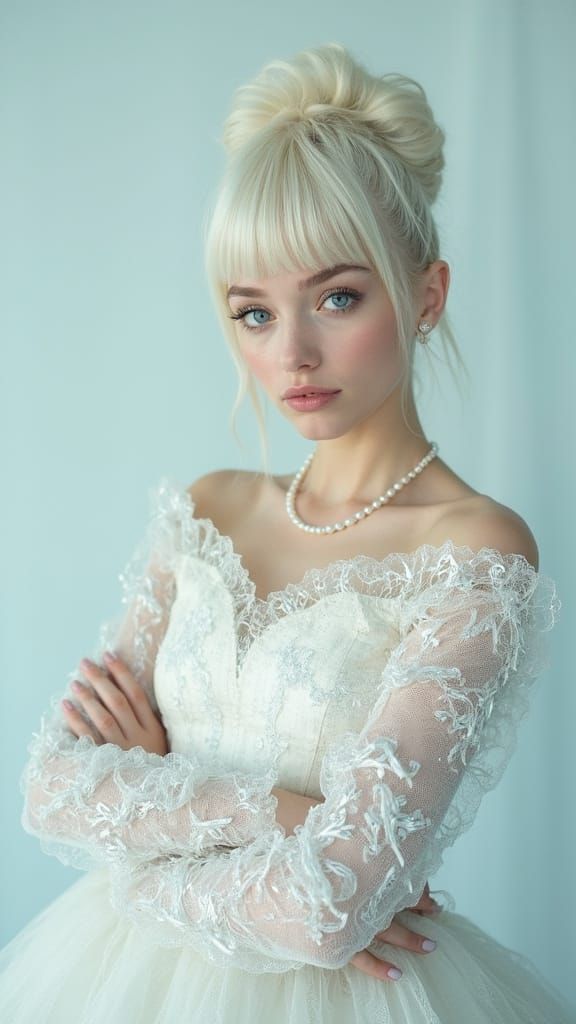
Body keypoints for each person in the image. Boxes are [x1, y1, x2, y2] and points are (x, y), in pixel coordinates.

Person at [0, 41, 574, 1024]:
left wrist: (151, 820)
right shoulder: (207, 510)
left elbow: (328, 909)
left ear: (426, 295)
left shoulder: (479, 551)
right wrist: (283, 816)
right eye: (254, 312)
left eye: (338, 297)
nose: (293, 352)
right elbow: (52, 787)